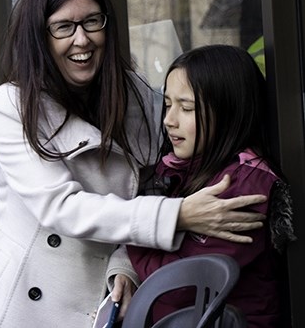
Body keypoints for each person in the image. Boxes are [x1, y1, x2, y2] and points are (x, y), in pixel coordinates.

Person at [0, 0, 268, 328]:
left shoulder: (133, 95)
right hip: (22, 305)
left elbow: (149, 187)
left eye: (92, 21)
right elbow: (61, 208)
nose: (82, 39)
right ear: (39, 37)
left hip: (99, 303)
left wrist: (126, 265)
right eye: (63, 27)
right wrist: (177, 215)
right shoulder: (10, 106)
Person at [126, 45, 296, 326]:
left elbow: (178, 285)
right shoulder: (184, 168)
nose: (169, 120)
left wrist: (134, 233)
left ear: (228, 110)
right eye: (167, 104)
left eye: (187, 107)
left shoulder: (244, 185)